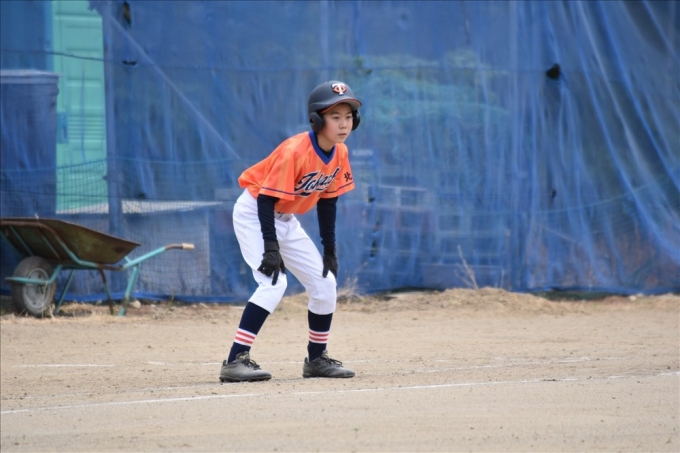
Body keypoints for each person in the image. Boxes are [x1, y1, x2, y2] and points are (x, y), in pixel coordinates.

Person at [219, 80, 362, 382]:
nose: (343, 124)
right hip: (255, 213)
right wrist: (271, 248)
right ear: (317, 120)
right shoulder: (295, 151)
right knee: (273, 282)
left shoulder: (340, 153)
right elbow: (266, 199)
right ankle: (234, 360)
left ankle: (317, 360)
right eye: (335, 116)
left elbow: (328, 201)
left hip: (285, 219)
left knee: (325, 283)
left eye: (348, 117)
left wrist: (330, 249)